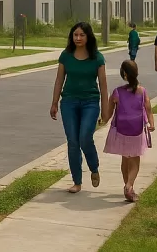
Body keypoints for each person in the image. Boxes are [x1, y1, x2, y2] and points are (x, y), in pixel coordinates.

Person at [50, 22, 108, 194]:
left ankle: (94, 167)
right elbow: (59, 80)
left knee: (84, 137)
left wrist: (105, 110)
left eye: (82, 35)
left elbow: (103, 86)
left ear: (88, 36)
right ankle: (77, 181)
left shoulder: (97, 57)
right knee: (73, 142)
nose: (78, 38)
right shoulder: (66, 56)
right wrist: (54, 102)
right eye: (75, 35)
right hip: (69, 102)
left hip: (90, 102)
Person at [102, 60, 155, 202]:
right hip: (137, 130)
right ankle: (129, 185)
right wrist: (152, 124)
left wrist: (101, 120)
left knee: (125, 159)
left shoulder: (117, 92)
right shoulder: (142, 91)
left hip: (121, 130)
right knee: (135, 160)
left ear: (123, 74)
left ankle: (127, 187)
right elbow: (148, 109)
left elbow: (107, 115)